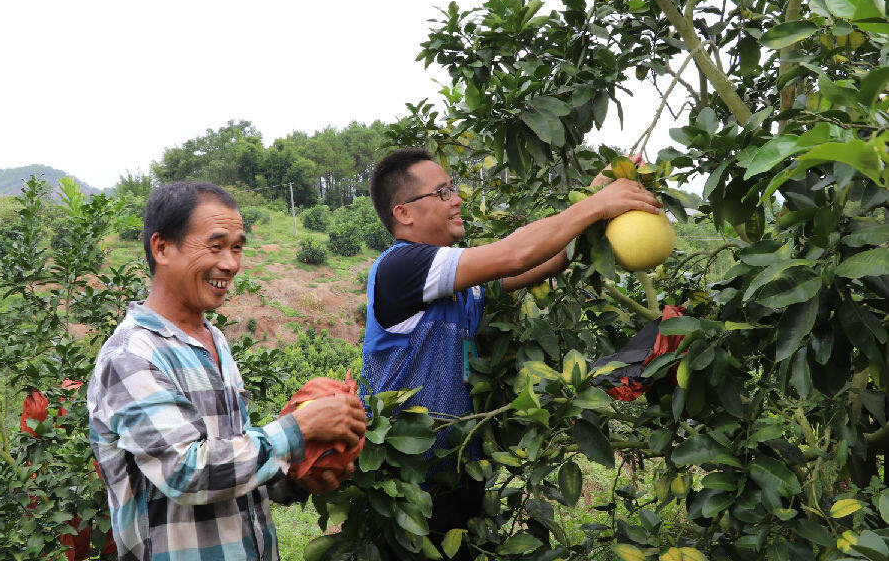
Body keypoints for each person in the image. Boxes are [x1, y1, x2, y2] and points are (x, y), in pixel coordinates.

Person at [362, 148, 660, 556]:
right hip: (402, 489)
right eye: (443, 192)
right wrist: (596, 205)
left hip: (456, 472)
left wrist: (599, 189)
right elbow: (513, 253)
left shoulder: (459, 285)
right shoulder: (401, 266)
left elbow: (548, 259)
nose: (457, 199)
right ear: (405, 214)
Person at [88, 182, 366, 561]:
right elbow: (187, 472)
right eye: (215, 246)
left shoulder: (214, 340)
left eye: (237, 247)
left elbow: (232, 467)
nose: (231, 263)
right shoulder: (131, 355)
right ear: (162, 248)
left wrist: (298, 477)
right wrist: (298, 431)